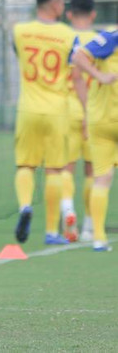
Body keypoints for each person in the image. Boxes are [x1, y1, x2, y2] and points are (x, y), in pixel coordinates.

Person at [10, 0, 78, 245]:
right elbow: (73, 70)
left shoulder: (20, 30)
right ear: (54, 3)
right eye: (62, 2)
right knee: (54, 170)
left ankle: (25, 206)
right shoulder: (67, 35)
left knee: (25, 165)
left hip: (28, 108)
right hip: (57, 110)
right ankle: (51, 232)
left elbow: (19, 55)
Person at [71, 29, 118, 252]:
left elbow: (78, 57)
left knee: (102, 178)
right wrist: (100, 76)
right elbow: (77, 56)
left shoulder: (109, 39)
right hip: (106, 120)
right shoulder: (111, 38)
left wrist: (98, 76)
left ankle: (98, 238)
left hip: (99, 120)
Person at [62, 0, 98, 242]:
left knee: (65, 168)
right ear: (93, 14)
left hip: (65, 110)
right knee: (92, 171)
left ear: (69, 14)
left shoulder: (63, 38)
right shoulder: (101, 40)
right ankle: (88, 226)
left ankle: (67, 212)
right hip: (94, 111)